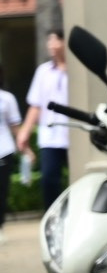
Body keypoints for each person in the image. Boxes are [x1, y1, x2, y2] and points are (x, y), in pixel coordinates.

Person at [17, 29, 69, 210]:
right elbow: (35, 105)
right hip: (50, 136)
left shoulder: (76, 71)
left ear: (64, 43)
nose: (51, 45)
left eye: (55, 41)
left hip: (73, 134)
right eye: (49, 41)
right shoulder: (43, 72)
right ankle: (52, 215)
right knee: (49, 178)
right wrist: (25, 131)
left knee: (77, 178)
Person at [0, 66, 28, 244]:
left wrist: (26, 149)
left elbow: (15, 128)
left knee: (1, 191)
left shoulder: (7, 99)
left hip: (3, 150)